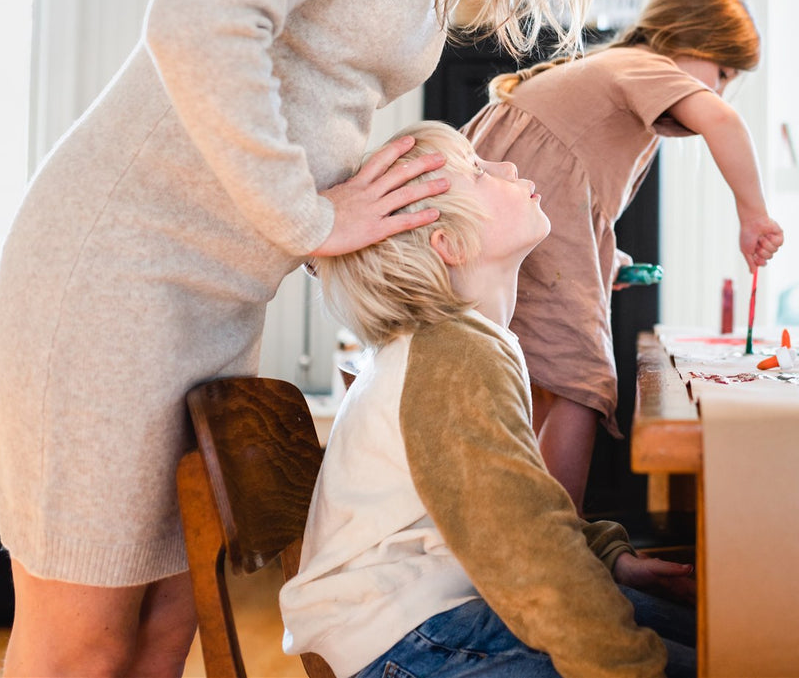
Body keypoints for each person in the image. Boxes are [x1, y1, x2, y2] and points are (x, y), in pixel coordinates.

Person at [0, 0, 682, 677]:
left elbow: (311, 106)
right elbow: (197, 16)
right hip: (113, 269)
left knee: (164, 625)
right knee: (87, 639)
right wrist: (312, 221)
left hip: (219, 295)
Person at [282, 121, 696, 678]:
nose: (506, 166)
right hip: (409, 638)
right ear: (450, 245)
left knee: (705, 635)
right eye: (478, 171)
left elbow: (520, 505)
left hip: (432, 614)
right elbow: (521, 542)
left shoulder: (458, 343)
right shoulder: (452, 354)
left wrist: (609, 559)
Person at [462, 0, 784, 509]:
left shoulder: (613, 73)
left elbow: (573, 200)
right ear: (686, 38)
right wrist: (753, 215)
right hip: (522, 215)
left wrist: (603, 257)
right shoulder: (643, 66)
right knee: (580, 381)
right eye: (722, 72)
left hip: (504, 220)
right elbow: (724, 122)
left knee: (541, 380)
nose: (719, 90)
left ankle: (520, 522)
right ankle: (558, 542)